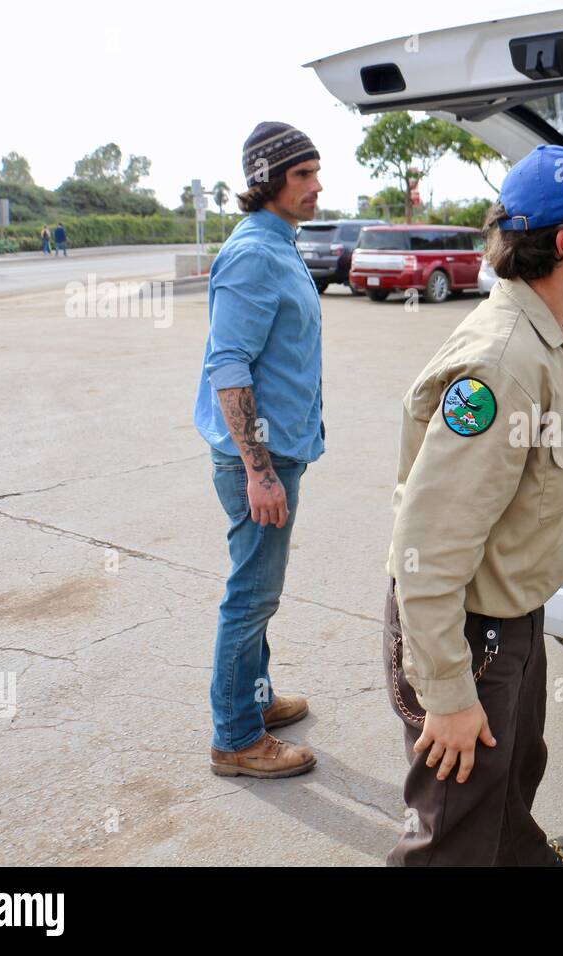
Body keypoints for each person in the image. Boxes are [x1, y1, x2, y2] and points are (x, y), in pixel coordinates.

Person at [383, 145, 563, 866]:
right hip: (466, 628)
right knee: (453, 819)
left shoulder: (562, 337)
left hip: (512, 610)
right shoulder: (504, 361)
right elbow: (431, 540)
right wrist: (445, 689)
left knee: (512, 768)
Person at [193, 121, 325, 778]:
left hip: (277, 453)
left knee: (259, 591)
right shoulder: (253, 254)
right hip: (259, 461)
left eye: (314, 171)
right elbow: (229, 365)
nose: (316, 185)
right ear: (266, 181)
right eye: (302, 174)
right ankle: (236, 738)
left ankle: (257, 700)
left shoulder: (281, 244)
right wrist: (260, 471)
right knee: (251, 595)